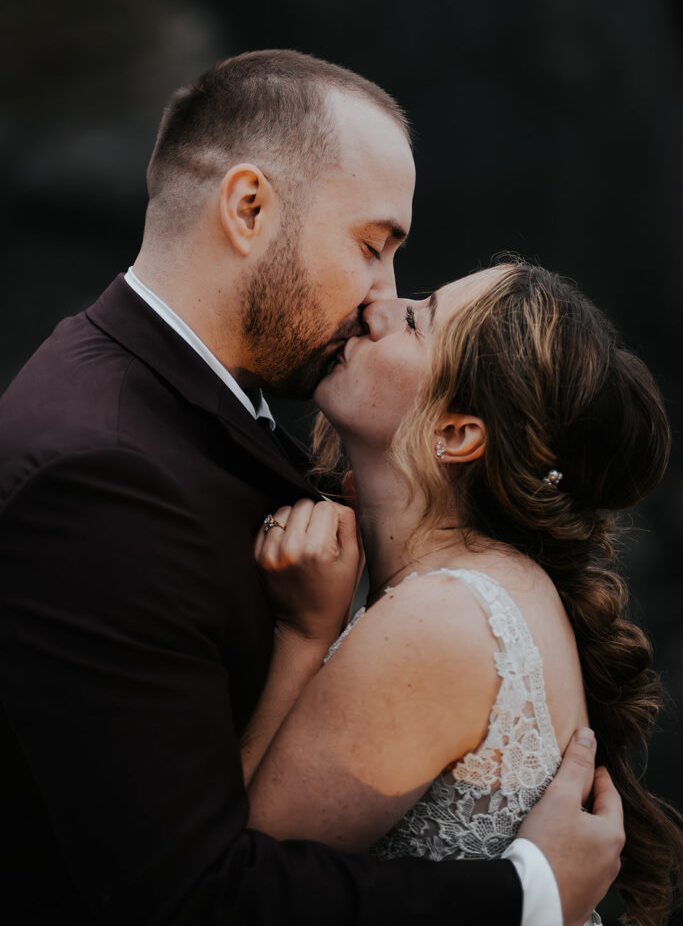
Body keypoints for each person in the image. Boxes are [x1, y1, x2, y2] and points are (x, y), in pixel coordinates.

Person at [0, 51, 622, 926]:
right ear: (248, 209)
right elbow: (183, 893)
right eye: (372, 248)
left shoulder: (217, 411)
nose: (381, 297)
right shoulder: (99, 472)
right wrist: (528, 893)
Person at [246, 260, 683, 926]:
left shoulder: (442, 619)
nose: (379, 305)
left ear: (455, 434)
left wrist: (302, 636)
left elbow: (229, 886)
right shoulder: (479, 585)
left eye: (417, 319)